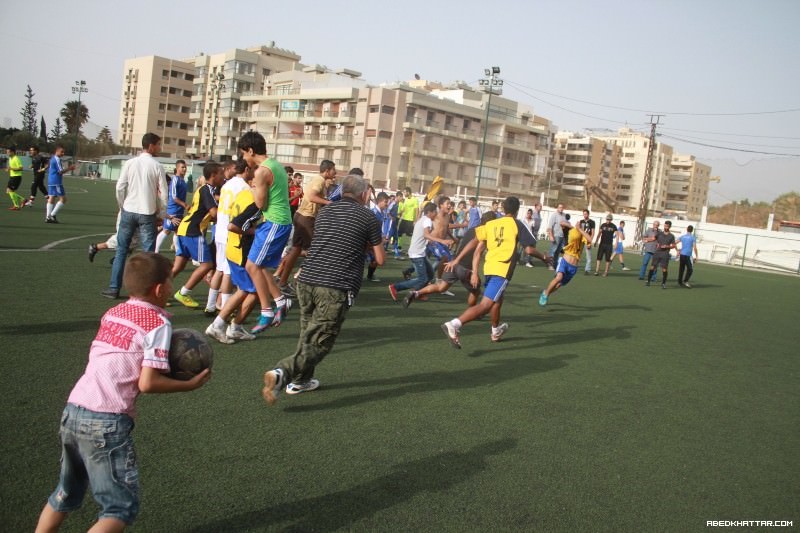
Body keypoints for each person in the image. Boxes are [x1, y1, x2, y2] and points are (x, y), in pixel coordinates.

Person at [34, 252, 210, 533]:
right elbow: (147, 383)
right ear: (159, 289)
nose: (171, 287)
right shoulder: (158, 323)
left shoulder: (113, 312)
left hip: (73, 409)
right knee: (118, 509)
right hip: (106, 421)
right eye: (170, 281)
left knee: (65, 493)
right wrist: (189, 384)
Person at [261, 174, 383, 404]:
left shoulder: (326, 211)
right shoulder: (369, 217)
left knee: (307, 334)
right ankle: (282, 372)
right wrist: (371, 243)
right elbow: (380, 259)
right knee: (321, 342)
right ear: (364, 194)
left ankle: (301, 381)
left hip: (306, 280)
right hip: (335, 285)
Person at [440, 197, 539, 349]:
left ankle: (495, 330)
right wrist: (545, 257)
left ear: (503, 208)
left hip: (489, 268)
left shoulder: (492, 224)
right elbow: (529, 249)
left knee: (497, 300)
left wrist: (456, 259)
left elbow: (475, 242)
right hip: (502, 270)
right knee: (486, 304)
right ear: (517, 210)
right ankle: (454, 324)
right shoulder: (517, 224)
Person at [239, 131, 293, 333]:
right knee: (258, 267)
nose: (244, 159)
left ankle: (266, 311)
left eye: (244, 154)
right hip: (276, 222)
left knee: (253, 266)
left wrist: (250, 186)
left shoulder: (261, 172)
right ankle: (280, 301)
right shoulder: (275, 164)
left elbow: (260, 203)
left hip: (275, 223)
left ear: (251, 151)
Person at [102, 133, 168, 299]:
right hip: (147, 212)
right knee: (148, 255)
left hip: (129, 210)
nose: (160, 148)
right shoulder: (157, 166)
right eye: (159, 144)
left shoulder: (130, 163)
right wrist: (161, 213)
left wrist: (122, 206)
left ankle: (113, 288)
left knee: (121, 250)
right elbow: (164, 195)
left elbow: (120, 187)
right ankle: (145, 293)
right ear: (151, 146)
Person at [403, 211, 495, 309]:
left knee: (441, 287)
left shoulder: (471, 229)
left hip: (453, 263)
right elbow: (477, 252)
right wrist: (474, 273)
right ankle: (472, 312)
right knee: (476, 291)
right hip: (465, 268)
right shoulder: (485, 233)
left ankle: (416, 292)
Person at [274, 160, 336, 299]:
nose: (335, 173)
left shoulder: (320, 181)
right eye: (333, 170)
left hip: (301, 216)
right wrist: (328, 203)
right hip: (306, 218)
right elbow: (311, 196)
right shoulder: (319, 180)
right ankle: (301, 280)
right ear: (327, 171)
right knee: (317, 251)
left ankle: (283, 282)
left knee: (296, 250)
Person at [171, 162, 224, 308]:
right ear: (213, 175)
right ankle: (183, 292)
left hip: (184, 228)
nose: (223, 176)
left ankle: (158, 291)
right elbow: (214, 213)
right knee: (207, 265)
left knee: (178, 266)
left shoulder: (205, 190)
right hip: (192, 231)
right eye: (221, 173)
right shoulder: (207, 190)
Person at [388, 202, 445, 301]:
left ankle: (419, 292)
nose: (436, 214)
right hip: (417, 253)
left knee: (430, 274)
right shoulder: (427, 220)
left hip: (420, 253)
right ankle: (396, 287)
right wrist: (442, 241)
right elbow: (427, 235)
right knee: (422, 278)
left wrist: (433, 243)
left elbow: (424, 237)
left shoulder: (422, 219)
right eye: (435, 211)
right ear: (430, 212)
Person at [538, 217, 593, 306]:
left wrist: (581, 230)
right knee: (559, 277)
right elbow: (562, 223)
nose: (581, 224)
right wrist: (573, 227)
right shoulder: (570, 231)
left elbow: (590, 240)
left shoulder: (583, 235)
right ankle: (545, 294)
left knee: (559, 285)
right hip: (565, 261)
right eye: (580, 223)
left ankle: (546, 292)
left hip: (573, 266)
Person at [154, 160, 189, 253]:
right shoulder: (175, 180)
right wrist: (185, 205)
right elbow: (174, 197)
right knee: (166, 230)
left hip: (179, 210)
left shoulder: (183, 181)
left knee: (177, 231)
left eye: (185, 167)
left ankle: (178, 251)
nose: (185, 169)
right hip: (172, 210)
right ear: (177, 168)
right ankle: (155, 251)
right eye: (182, 167)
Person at [44, 145, 76, 222]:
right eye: (61, 152)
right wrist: (70, 168)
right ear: (57, 151)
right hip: (56, 181)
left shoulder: (52, 159)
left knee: (51, 198)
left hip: (51, 180)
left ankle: (48, 217)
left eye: (63, 152)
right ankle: (52, 215)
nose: (63, 153)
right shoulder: (57, 159)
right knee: (63, 199)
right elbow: (60, 172)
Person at [646, 220, 676, 289]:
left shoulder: (671, 236)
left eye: (667, 226)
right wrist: (647, 239)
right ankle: (648, 281)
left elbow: (673, 245)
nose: (666, 227)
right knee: (652, 267)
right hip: (657, 253)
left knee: (664, 269)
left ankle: (663, 283)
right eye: (665, 226)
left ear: (669, 227)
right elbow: (653, 238)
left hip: (665, 254)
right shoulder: (659, 233)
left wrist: (667, 246)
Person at [546, 203, 566, 271]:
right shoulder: (554, 215)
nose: (561, 208)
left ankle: (555, 265)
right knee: (552, 251)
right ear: (557, 208)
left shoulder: (564, 215)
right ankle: (550, 265)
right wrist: (551, 236)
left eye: (562, 207)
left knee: (558, 252)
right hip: (555, 235)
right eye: (559, 207)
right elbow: (550, 226)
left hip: (562, 236)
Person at [578, 209, 596, 274]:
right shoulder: (581, 221)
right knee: (578, 254)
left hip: (587, 240)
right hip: (581, 240)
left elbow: (593, 233)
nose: (585, 215)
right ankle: (574, 267)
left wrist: (590, 241)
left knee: (588, 255)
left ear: (588, 214)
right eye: (584, 214)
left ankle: (587, 269)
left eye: (586, 214)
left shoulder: (592, 222)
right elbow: (579, 231)